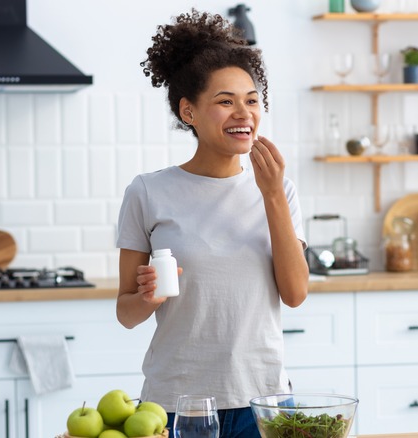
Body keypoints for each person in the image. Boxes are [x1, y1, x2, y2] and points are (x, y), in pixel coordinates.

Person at [115, 8, 310, 438]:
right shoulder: (148, 192)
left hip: (265, 400)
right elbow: (125, 313)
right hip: (177, 403)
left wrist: (272, 194)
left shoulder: (280, 190)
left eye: (252, 100)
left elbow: (295, 294)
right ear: (189, 112)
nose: (244, 113)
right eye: (225, 101)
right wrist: (147, 297)